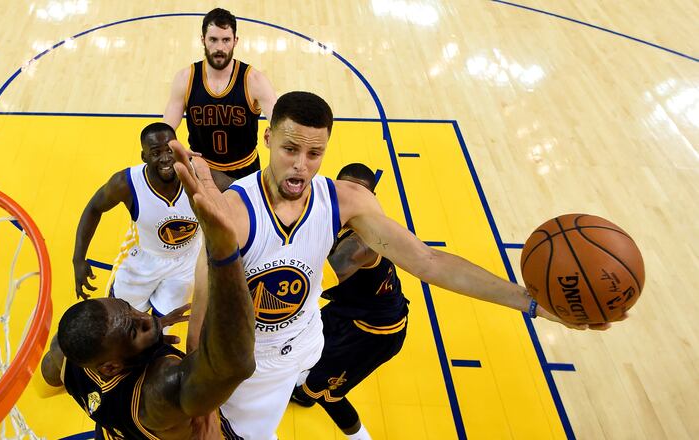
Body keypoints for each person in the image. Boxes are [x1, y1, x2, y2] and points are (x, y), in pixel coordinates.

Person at [181, 91, 615, 440]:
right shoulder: (233, 212)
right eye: (290, 149)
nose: (301, 165)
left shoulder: (346, 202)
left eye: (315, 154)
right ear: (268, 140)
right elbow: (201, 311)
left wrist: (532, 303)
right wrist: (199, 400)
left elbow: (428, 262)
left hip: (305, 343)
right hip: (248, 361)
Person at [41, 140, 256, 439]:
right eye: (134, 330)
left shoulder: (66, 355)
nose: (145, 317)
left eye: (129, 309)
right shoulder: (160, 389)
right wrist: (223, 252)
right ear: (111, 367)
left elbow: (49, 375)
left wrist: (144, 335)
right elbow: (236, 365)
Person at [288, 163, 408, 440]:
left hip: (373, 332)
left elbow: (312, 284)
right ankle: (305, 389)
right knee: (304, 340)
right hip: (350, 309)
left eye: (359, 191)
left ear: (371, 198)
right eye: (345, 188)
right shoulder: (334, 214)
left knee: (330, 396)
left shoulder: (362, 243)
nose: (349, 196)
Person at [73, 122, 202, 316]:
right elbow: (94, 208)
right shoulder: (126, 183)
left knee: (162, 328)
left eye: (169, 150)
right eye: (156, 153)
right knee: (122, 321)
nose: (165, 158)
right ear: (144, 157)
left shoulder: (201, 174)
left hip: (185, 262)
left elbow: (237, 194)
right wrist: (78, 259)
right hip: (141, 262)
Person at [163, 8, 277, 190]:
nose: (219, 48)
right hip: (202, 170)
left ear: (235, 41)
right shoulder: (186, 79)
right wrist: (173, 148)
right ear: (203, 40)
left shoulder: (254, 80)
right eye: (213, 39)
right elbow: (166, 129)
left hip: (245, 170)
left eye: (226, 40)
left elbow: (281, 125)